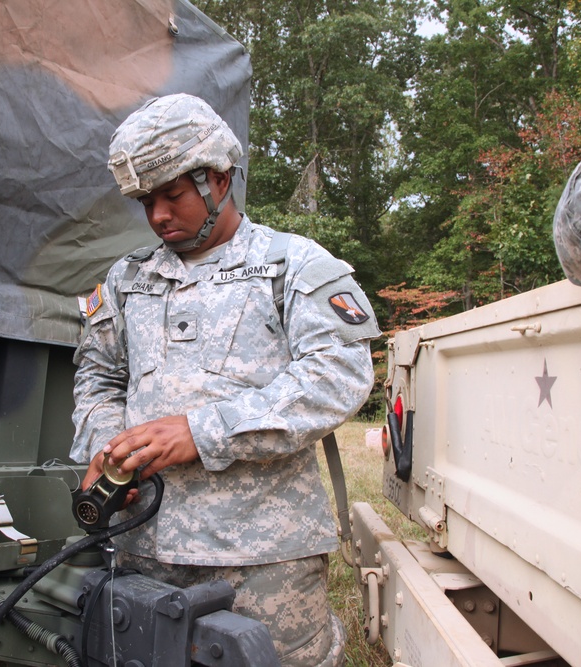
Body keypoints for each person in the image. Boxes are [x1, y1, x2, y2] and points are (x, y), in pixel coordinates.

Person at [71, 93, 380, 667]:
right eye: (146, 201)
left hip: (263, 557)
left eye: (172, 195)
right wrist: (107, 450)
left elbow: (338, 374)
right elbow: (97, 377)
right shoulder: (126, 281)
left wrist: (204, 431)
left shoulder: (295, 265)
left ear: (218, 179)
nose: (158, 215)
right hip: (145, 544)